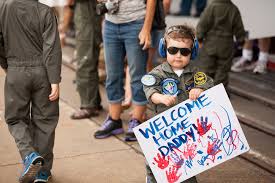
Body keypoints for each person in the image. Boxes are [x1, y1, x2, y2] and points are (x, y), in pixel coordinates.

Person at [142, 24, 214, 183]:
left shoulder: (196, 73)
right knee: (158, 158)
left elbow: (209, 83)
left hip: (186, 128)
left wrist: (200, 88)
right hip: (161, 126)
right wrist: (160, 97)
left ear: (192, 52)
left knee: (186, 158)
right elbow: (149, 89)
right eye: (173, 50)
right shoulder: (158, 73)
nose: (178, 55)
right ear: (164, 49)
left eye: (185, 51)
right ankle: (152, 178)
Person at [0, 0, 61, 183]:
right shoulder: (46, 11)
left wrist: (7, 65)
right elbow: (52, 48)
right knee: (45, 121)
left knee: (15, 118)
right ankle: (42, 173)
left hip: (15, 70)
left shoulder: (2, 7)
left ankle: (29, 155)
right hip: (43, 72)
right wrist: (54, 80)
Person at [93, 0, 156, 141]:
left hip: (136, 23)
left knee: (137, 75)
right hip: (110, 24)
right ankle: (114, 120)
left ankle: (137, 120)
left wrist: (146, 28)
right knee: (112, 75)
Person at [195, 0, 246, 91]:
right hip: (226, 44)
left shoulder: (211, 7)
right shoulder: (233, 9)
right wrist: (241, 39)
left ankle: (203, 91)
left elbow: (203, 23)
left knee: (206, 68)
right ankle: (219, 92)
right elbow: (239, 27)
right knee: (223, 71)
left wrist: (199, 37)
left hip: (210, 43)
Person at [70, 0, 103, 119]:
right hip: (85, 11)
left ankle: (88, 105)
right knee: (87, 58)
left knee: (85, 60)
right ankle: (94, 101)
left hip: (87, 11)